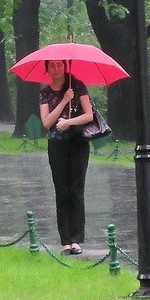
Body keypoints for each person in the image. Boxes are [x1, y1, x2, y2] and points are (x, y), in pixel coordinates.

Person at [37, 60, 93, 255]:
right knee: (62, 191)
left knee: (76, 190)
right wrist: (63, 101)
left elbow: (89, 115)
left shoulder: (77, 86)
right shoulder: (45, 93)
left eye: (60, 65)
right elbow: (46, 122)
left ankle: (77, 239)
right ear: (47, 69)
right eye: (52, 66)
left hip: (78, 144)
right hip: (57, 146)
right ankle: (65, 240)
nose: (56, 69)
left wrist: (69, 122)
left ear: (65, 66)